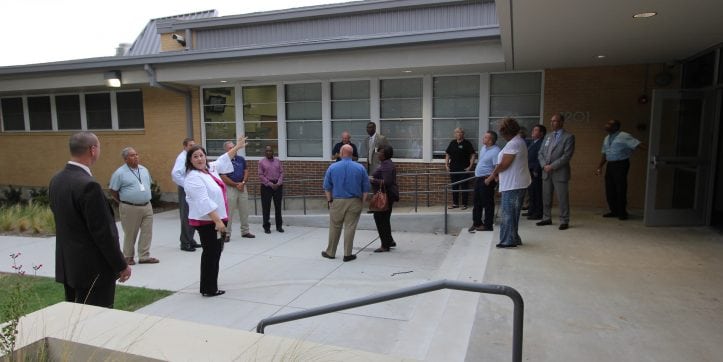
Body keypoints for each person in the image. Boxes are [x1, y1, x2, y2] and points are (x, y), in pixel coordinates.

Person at [49, 132, 131, 308]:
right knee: (95, 322)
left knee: (75, 320)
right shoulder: (88, 186)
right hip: (93, 270)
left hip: (69, 266)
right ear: (93, 150)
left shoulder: (57, 180)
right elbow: (102, 232)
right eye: (99, 147)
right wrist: (121, 265)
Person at [184, 135, 246, 297]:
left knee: (215, 253)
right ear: (190, 160)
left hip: (216, 220)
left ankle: (210, 285)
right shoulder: (192, 178)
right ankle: (209, 288)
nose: (199, 159)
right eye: (195, 156)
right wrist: (218, 222)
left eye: (201, 155)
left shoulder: (209, 168)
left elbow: (223, 159)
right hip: (208, 222)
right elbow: (203, 201)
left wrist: (237, 147)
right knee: (211, 254)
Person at [485, 118, 531, 248]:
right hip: (517, 183)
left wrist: (492, 176)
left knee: (508, 214)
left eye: (503, 132)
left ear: (506, 132)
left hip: (513, 185)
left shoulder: (513, 144)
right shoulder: (518, 141)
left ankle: (507, 241)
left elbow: (504, 163)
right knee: (513, 214)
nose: (502, 136)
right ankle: (514, 238)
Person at [109, 147, 159, 265]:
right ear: (125, 159)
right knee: (130, 232)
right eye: (132, 155)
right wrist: (123, 201)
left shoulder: (143, 170)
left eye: (136, 154)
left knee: (147, 231)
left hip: (147, 205)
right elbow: (113, 191)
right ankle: (128, 257)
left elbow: (147, 185)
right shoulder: (120, 173)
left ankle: (144, 256)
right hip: (130, 207)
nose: (136, 157)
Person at [322, 144, 370, 262]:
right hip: (355, 201)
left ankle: (331, 252)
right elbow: (366, 189)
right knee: (350, 227)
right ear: (352, 154)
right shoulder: (360, 168)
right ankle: (347, 254)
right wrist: (361, 202)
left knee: (335, 226)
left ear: (341, 153)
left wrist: (329, 201)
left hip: (337, 201)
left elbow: (327, 187)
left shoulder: (332, 168)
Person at [595, 119, 645, 220]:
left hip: (621, 164)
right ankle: (614, 211)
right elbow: (605, 154)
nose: (606, 125)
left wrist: (653, 151)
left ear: (615, 127)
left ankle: (622, 212)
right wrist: (599, 166)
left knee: (620, 189)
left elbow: (638, 144)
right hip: (610, 165)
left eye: (609, 124)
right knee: (610, 189)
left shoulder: (624, 136)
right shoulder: (606, 138)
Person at [537, 113, 575, 230]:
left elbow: (567, 156)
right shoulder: (548, 136)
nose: (553, 123)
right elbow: (540, 153)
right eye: (551, 121)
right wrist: (544, 165)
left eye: (555, 121)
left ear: (561, 122)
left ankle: (564, 220)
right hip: (546, 172)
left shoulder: (568, 137)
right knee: (546, 197)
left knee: (562, 198)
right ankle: (546, 218)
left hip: (560, 172)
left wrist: (552, 166)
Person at [219, 140, 255, 241]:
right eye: (230, 148)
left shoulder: (241, 159)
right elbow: (223, 176)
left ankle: (245, 231)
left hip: (242, 187)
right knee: (229, 212)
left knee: (244, 210)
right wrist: (235, 184)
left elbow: (246, 171)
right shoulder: (223, 161)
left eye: (233, 147)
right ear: (226, 150)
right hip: (230, 188)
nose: (233, 149)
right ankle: (226, 234)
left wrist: (242, 183)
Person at [171, 138, 202, 252]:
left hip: (192, 189)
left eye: (194, 145)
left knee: (192, 214)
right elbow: (175, 174)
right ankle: (185, 242)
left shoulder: (189, 157)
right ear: (184, 146)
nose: (192, 147)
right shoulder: (182, 158)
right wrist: (187, 185)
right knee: (186, 215)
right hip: (186, 190)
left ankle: (190, 239)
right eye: (190, 145)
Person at [369, 145, 399, 252]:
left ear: (385, 154)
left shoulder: (386, 165)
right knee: (385, 219)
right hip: (387, 195)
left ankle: (385, 245)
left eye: (380, 152)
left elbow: (387, 182)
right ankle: (389, 240)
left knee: (380, 219)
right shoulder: (386, 163)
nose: (378, 154)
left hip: (386, 196)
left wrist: (372, 180)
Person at [469, 131, 500, 233]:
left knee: (487, 203)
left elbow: (497, 167)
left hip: (486, 179)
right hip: (478, 178)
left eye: (486, 137)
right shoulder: (483, 148)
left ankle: (488, 225)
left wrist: (489, 179)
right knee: (476, 202)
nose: (483, 138)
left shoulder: (496, 151)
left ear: (491, 140)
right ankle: (477, 223)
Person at [445, 127, 476, 210]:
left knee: (464, 186)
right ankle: (455, 203)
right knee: (454, 186)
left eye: (460, 132)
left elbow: (473, 154)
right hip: (453, 169)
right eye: (456, 132)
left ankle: (464, 204)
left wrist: (470, 166)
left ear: (463, 134)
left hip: (464, 169)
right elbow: (447, 154)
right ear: (454, 134)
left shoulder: (467, 143)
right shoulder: (452, 143)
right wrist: (446, 165)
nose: (458, 134)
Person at [258, 145, 284, 234]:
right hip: (266, 187)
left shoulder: (278, 161)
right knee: (266, 207)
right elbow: (261, 175)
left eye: (270, 151)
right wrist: (270, 184)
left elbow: (281, 172)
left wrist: (278, 183)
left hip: (278, 186)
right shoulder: (261, 162)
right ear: (265, 153)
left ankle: (279, 226)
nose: (269, 152)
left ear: (273, 152)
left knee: (278, 207)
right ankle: (266, 227)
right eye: (267, 151)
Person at [523, 125, 546, 220]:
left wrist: (536, 169)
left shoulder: (541, 143)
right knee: (531, 192)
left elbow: (539, 158)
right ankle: (531, 210)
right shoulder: (533, 142)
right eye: (533, 129)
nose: (533, 131)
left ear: (541, 133)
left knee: (537, 192)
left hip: (535, 171)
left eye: (536, 130)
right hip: (529, 170)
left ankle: (538, 213)